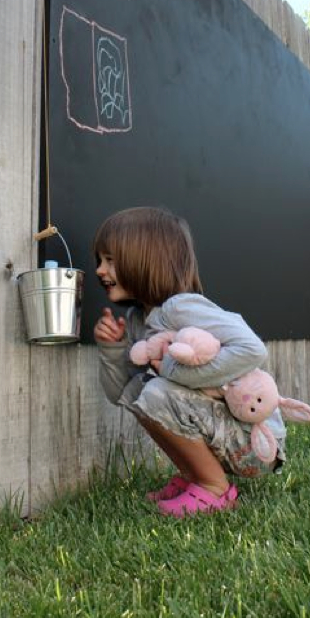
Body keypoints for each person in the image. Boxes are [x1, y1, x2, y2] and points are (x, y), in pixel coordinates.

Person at [93, 206, 286, 517]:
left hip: (255, 443)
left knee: (156, 391)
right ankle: (193, 479)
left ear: (146, 259)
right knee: (142, 392)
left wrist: (171, 369)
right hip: (227, 435)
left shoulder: (181, 307)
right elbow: (122, 394)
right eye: (100, 261)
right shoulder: (137, 320)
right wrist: (111, 349)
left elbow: (252, 349)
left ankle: (214, 490)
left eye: (111, 261)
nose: (101, 270)